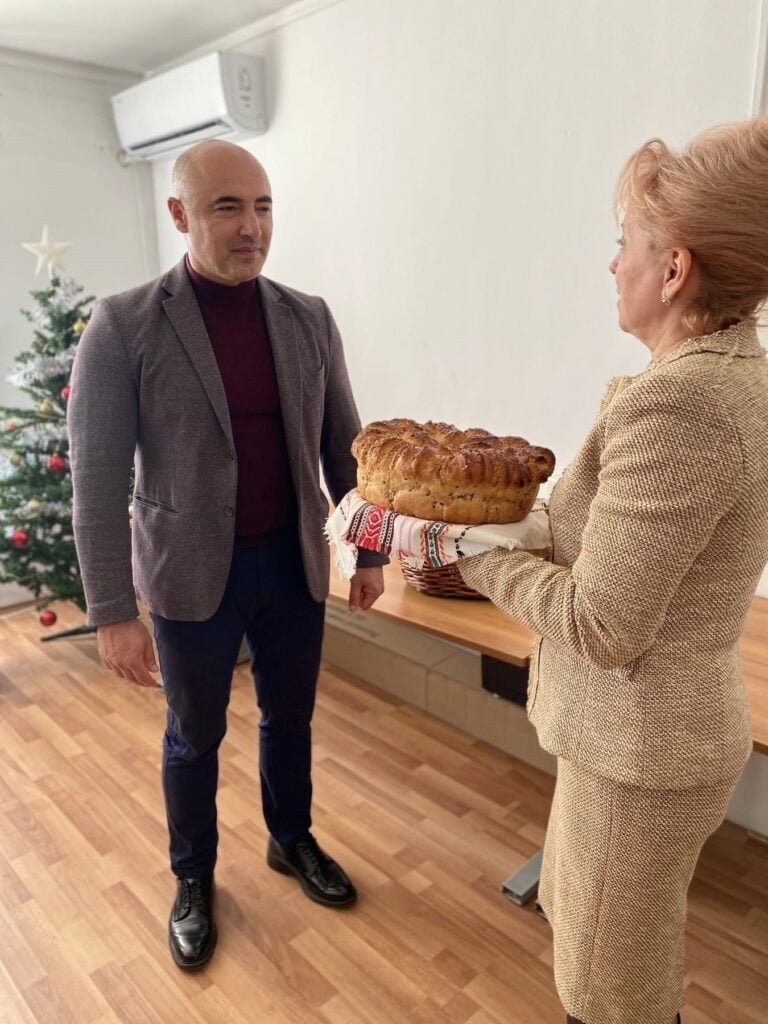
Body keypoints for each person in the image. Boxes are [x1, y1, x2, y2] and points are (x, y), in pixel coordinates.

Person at [458, 117, 768, 1024]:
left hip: (639, 752)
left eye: (624, 241)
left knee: (609, 995)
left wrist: (467, 553)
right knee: (605, 953)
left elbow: (602, 624)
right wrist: (508, 523)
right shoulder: (729, 377)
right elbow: (612, 548)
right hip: (634, 739)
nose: (611, 263)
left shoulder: (685, 404)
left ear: (674, 270)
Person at [67, 139, 386, 971]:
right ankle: (193, 876)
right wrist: (112, 613)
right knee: (193, 734)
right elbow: (96, 482)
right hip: (187, 573)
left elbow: (346, 448)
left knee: (290, 717)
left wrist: (369, 552)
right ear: (179, 214)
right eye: (228, 208)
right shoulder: (125, 324)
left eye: (263, 206)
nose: (253, 227)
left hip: (293, 564)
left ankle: (291, 837)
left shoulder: (308, 316)